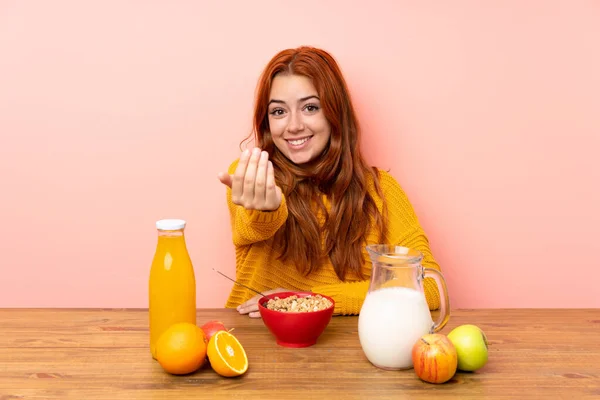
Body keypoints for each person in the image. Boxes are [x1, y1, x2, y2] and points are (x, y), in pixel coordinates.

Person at [218, 46, 442, 318]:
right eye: (278, 112)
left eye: (310, 107)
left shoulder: (381, 191)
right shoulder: (251, 176)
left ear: (335, 113)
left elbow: (429, 287)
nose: (293, 126)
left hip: (349, 349)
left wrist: (309, 300)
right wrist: (267, 210)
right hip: (254, 342)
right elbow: (251, 226)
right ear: (266, 122)